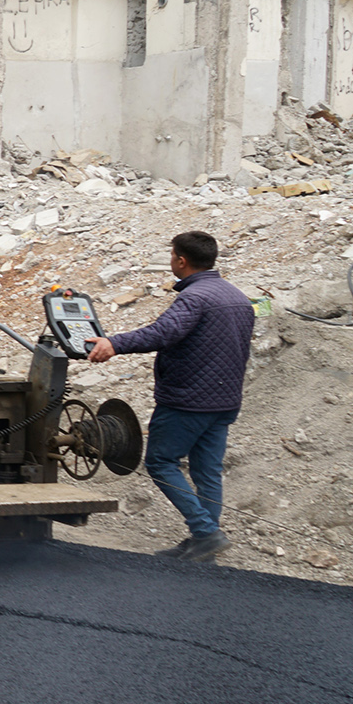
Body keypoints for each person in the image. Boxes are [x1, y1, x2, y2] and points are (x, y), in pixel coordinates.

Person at [86, 231, 255, 562]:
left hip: (188, 401)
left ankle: (205, 532)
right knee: (207, 470)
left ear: (181, 260)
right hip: (224, 402)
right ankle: (205, 539)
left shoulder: (195, 298)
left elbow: (164, 333)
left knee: (161, 462)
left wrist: (114, 343)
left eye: (172, 255)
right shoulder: (237, 296)